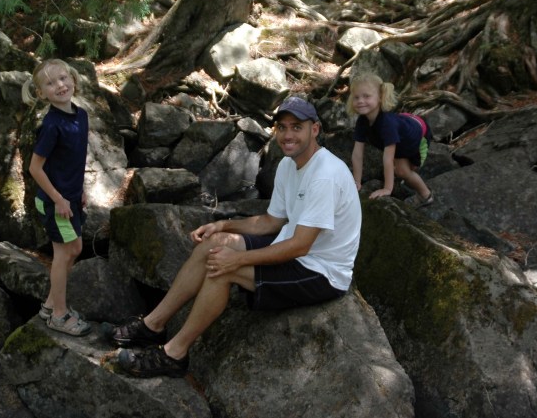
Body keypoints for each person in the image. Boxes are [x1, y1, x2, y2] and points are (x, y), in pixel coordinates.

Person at [107, 96, 362, 378]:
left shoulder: (325, 175)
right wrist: (223, 226)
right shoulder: (288, 165)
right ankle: (152, 325)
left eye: (297, 127)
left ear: (315, 129)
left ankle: (174, 354)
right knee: (214, 246)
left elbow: (301, 246)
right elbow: (271, 221)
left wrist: (238, 260)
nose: (288, 135)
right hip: (295, 248)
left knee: (223, 269)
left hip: (322, 271)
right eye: (282, 127)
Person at [22, 58, 91, 336]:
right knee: (64, 254)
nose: (60, 85)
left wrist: (80, 190)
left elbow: (73, 159)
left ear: (73, 79)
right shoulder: (52, 125)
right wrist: (59, 199)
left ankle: (50, 305)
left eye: (63, 78)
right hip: (55, 202)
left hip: (70, 197)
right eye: (50, 83)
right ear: (41, 93)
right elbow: (35, 168)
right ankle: (59, 316)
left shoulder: (81, 115)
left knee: (74, 249)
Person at [347, 73, 433, 204]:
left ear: (380, 97)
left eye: (366, 96)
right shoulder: (362, 121)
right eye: (356, 97)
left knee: (403, 171)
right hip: (401, 125)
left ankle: (426, 195)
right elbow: (357, 154)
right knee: (399, 168)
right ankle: (404, 180)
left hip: (418, 133)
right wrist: (356, 182)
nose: (360, 101)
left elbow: (388, 158)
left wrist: (387, 189)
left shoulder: (387, 124)